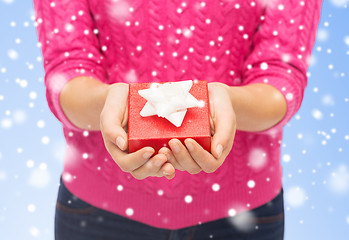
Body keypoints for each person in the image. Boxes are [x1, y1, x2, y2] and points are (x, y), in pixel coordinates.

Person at [33, 0, 323, 239]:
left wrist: (225, 103)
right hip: (97, 214)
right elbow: (67, 67)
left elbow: (282, 77)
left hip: (242, 215)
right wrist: (108, 103)